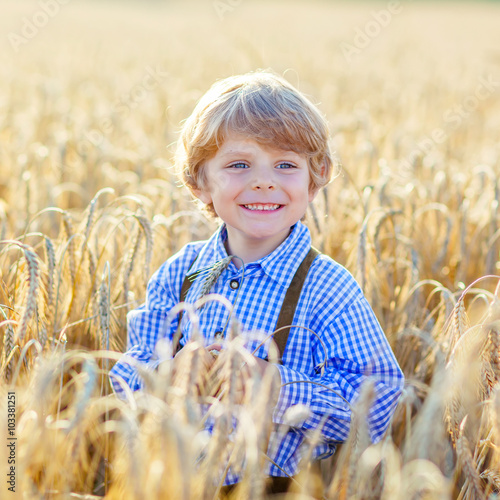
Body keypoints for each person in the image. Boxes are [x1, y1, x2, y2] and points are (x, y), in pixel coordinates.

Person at [109, 70, 404, 490]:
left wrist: (274, 386)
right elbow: (125, 373)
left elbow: (378, 402)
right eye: (239, 164)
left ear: (315, 177)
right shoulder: (180, 273)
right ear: (200, 182)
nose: (264, 180)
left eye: (286, 165)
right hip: (168, 481)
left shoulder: (328, 289)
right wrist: (167, 373)